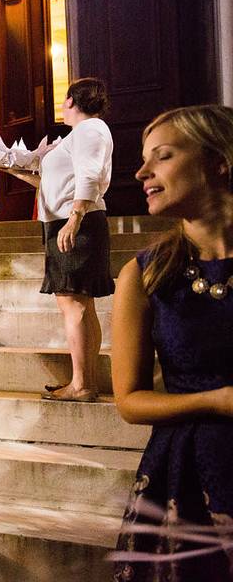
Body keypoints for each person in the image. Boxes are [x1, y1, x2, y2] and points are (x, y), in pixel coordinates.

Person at [111, 105, 233, 580]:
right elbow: (129, 400)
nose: (142, 172)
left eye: (162, 157)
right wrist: (218, 401)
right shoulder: (143, 275)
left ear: (218, 161)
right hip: (186, 476)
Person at [5, 78, 114, 403]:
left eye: (65, 100)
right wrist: (11, 169)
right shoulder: (82, 134)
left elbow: (90, 173)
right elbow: (55, 179)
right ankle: (84, 380)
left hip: (76, 221)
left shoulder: (89, 130)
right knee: (79, 304)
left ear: (72, 102)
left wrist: (75, 218)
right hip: (69, 218)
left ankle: (82, 384)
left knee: (74, 304)